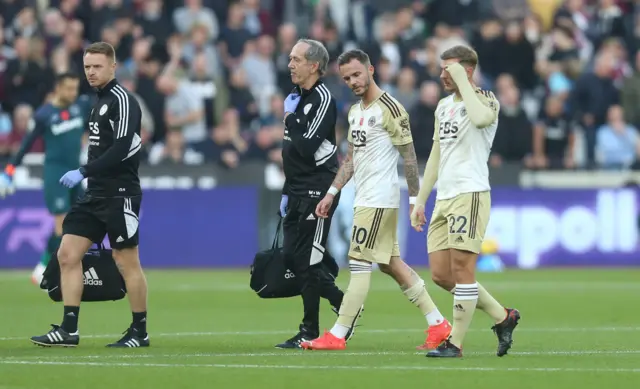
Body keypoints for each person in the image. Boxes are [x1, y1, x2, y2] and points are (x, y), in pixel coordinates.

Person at [300, 49, 451, 351]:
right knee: (391, 264)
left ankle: (338, 333)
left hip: (379, 199)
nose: (353, 81)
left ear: (370, 69)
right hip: (363, 197)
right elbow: (351, 159)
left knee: (358, 262)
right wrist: (332, 193)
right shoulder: (356, 112)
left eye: (357, 74)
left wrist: (414, 201)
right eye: (346, 78)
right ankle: (438, 324)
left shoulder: (391, 109)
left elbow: (409, 157)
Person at [30, 42, 149, 348]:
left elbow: (122, 148)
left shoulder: (124, 101)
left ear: (113, 66)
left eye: (97, 66)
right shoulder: (97, 102)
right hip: (94, 194)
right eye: (87, 67)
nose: (91, 72)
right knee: (67, 254)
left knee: (126, 261)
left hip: (119, 193)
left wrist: (83, 171)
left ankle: (140, 331)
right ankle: (69, 329)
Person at [410, 45, 521, 358]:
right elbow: (436, 153)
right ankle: (503, 316)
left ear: (467, 70)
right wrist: (420, 198)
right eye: (442, 68)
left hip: (470, 194)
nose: (443, 74)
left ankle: (454, 344)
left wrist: (464, 81)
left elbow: (482, 119)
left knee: (463, 269)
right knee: (442, 275)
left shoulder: (486, 99)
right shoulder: (443, 106)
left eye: (450, 68)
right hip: (444, 197)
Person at [276, 38, 347, 349]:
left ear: (314, 66)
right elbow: (291, 151)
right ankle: (341, 301)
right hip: (296, 188)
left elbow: (305, 147)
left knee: (307, 258)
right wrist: (286, 189)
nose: (290, 64)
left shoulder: (322, 98)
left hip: (319, 188)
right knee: (294, 256)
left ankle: (309, 330)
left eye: (296, 59)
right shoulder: (297, 96)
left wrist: (290, 117)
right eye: (290, 58)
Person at [0, 73, 91, 285]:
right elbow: (25, 145)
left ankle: (42, 267)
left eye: (75, 88)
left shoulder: (80, 108)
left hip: (75, 172)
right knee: (62, 224)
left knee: (79, 220)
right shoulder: (44, 114)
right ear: (57, 89)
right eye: (68, 88)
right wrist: (10, 171)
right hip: (55, 175)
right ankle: (57, 273)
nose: (72, 93)